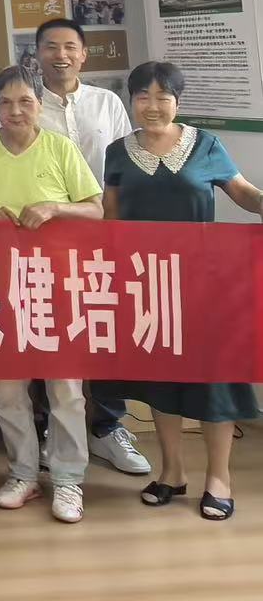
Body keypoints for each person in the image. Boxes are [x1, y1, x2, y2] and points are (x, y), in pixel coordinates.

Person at [101, 61, 262, 520]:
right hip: (147, 284)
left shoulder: (205, 144)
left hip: (203, 284)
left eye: (163, 97)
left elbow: (242, 192)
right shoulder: (117, 152)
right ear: (131, 101)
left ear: (178, 101)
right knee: (161, 379)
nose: (152, 106)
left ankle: (219, 478)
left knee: (213, 379)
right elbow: (111, 218)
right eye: (143, 97)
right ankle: (171, 471)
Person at [0, 65, 103, 524]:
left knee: (65, 388)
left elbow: (95, 209)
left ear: (40, 104)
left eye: (25, 102)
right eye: (5, 102)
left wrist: (55, 207)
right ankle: (22, 473)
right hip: (0, 286)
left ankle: (68, 479)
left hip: (57, 285)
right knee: (8, 389)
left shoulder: (60, 147)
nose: (15, 111)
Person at [34, 18, 149, 477]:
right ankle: (52, 427)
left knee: (103, 327)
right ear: (37, 54)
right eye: (50, 47)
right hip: (46, 237)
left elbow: (124, 165)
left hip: (103, 234)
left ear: (83, 54)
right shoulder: (28, 105)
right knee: (49, 328)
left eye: (69, 47)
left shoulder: (107, 103)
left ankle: (107, 426)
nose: (60, 55)